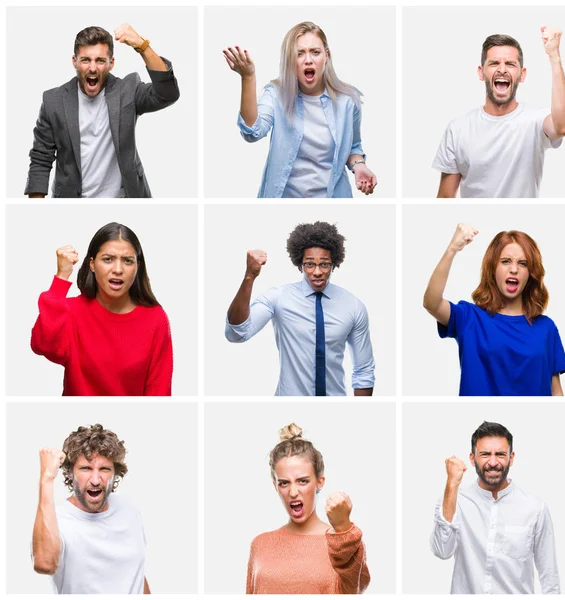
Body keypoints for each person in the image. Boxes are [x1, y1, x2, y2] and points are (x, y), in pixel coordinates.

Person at [224, 21, 377, 198]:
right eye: (299, 54)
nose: (308, 60)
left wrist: (359, 165)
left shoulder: (348, 101)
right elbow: (252, 132)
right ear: (291, 60)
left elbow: (353, 147)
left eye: (315, 52)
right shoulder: (276, 94)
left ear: (326, 56)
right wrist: (248, 78)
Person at [25, 24, 180, 198]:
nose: (92, 68)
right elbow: (41, 158)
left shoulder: (127, 91)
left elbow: (168, 94)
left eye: (100, 60)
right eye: (85, 60)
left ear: (111, 63)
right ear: (74, 61)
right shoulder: (54, 101)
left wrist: (141, 45)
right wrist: (36, 208)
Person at [225, 221, 375, 396]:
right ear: (300, 264)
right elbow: (236, 334)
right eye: (310, 264)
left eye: (324, 264)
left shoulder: (353, 306)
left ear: (334, 264)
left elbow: (364, 370)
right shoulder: (278, 298)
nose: (317, 272)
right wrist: (249, 276)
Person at [423, 224, 565, 395]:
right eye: (505, 261)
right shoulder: (470, 318)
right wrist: (452, 249)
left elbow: (556, 392)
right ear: (493, 268)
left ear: (531, 273)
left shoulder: (546, 328)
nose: (514, 269)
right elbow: (431, 303)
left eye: (523, 264)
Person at [31, 222, 173, 396]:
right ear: (92, 264)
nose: (118, 269)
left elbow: (159, 392)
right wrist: (62, 277)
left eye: (128, 261)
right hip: (78, 419)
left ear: (138, 266)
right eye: (108, 259)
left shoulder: (155, 318)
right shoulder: (72, 311)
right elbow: (43, 345)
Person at [433, 28, 565, 198]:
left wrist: (554, 56)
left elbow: (563, 126)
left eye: (510, 64)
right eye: (494, 63)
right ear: (481, 72)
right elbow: (445, 198)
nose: (502, 70)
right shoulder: (458, 128)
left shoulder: (536, 120)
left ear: (522, 75)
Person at [430, 421, 560, 594]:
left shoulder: (534, 508)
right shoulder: (455, 500)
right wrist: (452, 484)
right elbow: (441, 550)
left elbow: (550, 577)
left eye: (500, 454)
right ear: (472, 458)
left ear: (511, 458)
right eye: (484, 454)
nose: (493, 462)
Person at [247, 423, 369, 594]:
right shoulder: (260, 545)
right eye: (284, 483)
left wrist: (343, 529)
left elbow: (354, 589)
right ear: (275, 485)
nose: (293, 492)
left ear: (320, 482)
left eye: (302, 481)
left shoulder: (342, 546)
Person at [32, 424, 149, 594]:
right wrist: (46, 479)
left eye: (104, 469)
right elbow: (44, 564)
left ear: (115, 473)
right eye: (86, 468)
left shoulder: (129, 509)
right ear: (70, 473)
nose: (95, 480)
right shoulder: (54, 520)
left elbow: (136, 574)